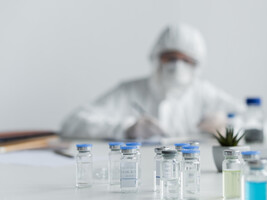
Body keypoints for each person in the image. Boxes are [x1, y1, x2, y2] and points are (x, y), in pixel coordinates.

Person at [61, 23, 244, 140]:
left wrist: (227, 125)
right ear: (157, 58)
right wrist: (126, 128)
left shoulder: (205, 93)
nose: (177, 65)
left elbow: (256, 123)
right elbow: (72, 123)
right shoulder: (129, 91)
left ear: (196, 64)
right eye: (170, 57)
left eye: (186, 60)